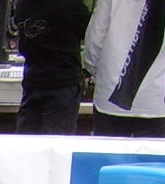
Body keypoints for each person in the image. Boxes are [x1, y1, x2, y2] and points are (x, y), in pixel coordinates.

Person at [86, 0, 165, 135]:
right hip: (156, 99)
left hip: (111, 93)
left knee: (109, 155)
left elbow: (96, 38)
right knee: (153, 155)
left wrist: (97, 72)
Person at [15, 0, 92, 133]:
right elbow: (90, 32)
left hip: (32, 80)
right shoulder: (71, 6)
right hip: (62, 83)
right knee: (57, 146)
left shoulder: (24, 4)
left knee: (25, 146)